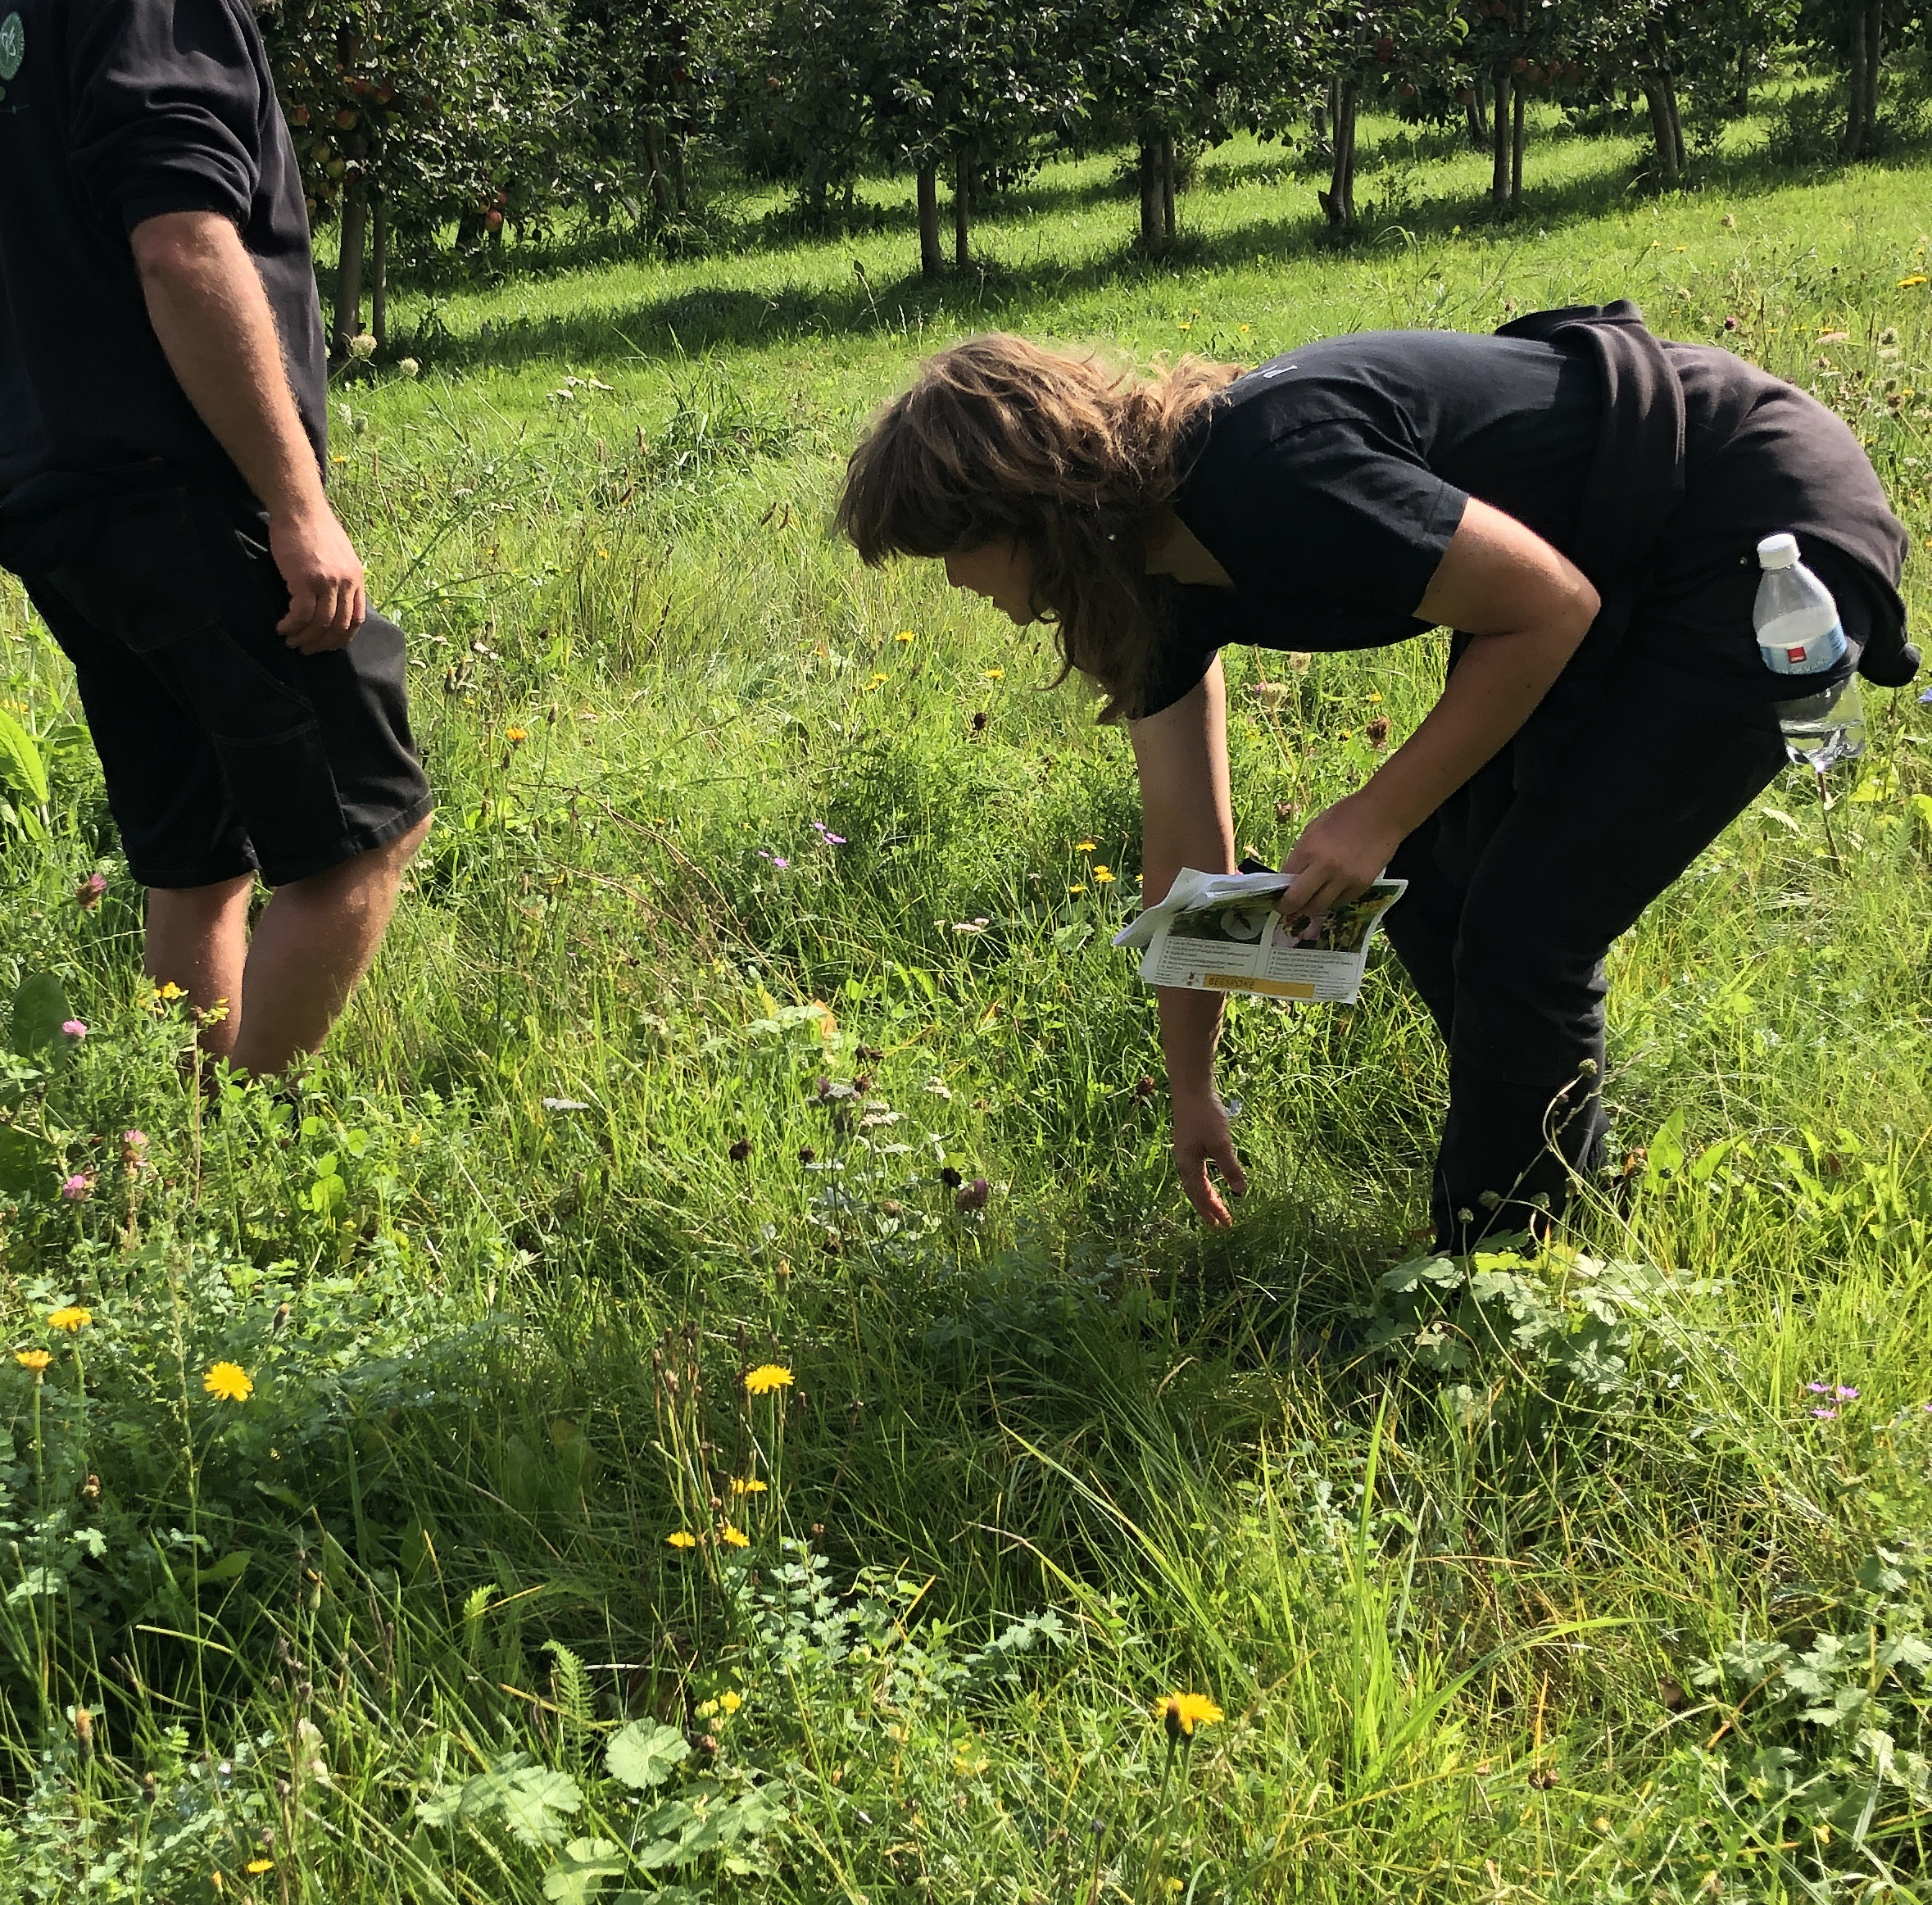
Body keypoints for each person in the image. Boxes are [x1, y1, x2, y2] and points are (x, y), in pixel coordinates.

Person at [837, 306, 1915, 1248]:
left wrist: (1376, 810)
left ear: (1029, 509)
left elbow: (1549, 607)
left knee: (1522, 931)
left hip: (1750, 533)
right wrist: (1191, 1088)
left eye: (951, 547)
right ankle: (1551, 1209)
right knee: (1444, 897)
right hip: (1614, 554)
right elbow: (1186, 864)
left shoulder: (1267, 473)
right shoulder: (1146, 582)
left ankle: (1503, 1273)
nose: (950, 580)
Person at [0, 0, 432, 1076]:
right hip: (185, 491)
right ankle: (250, 1143)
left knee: (194, 860)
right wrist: (294, 502)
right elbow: (184, 247)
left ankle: (177, 1157)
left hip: (59, 504)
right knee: (366, 831)